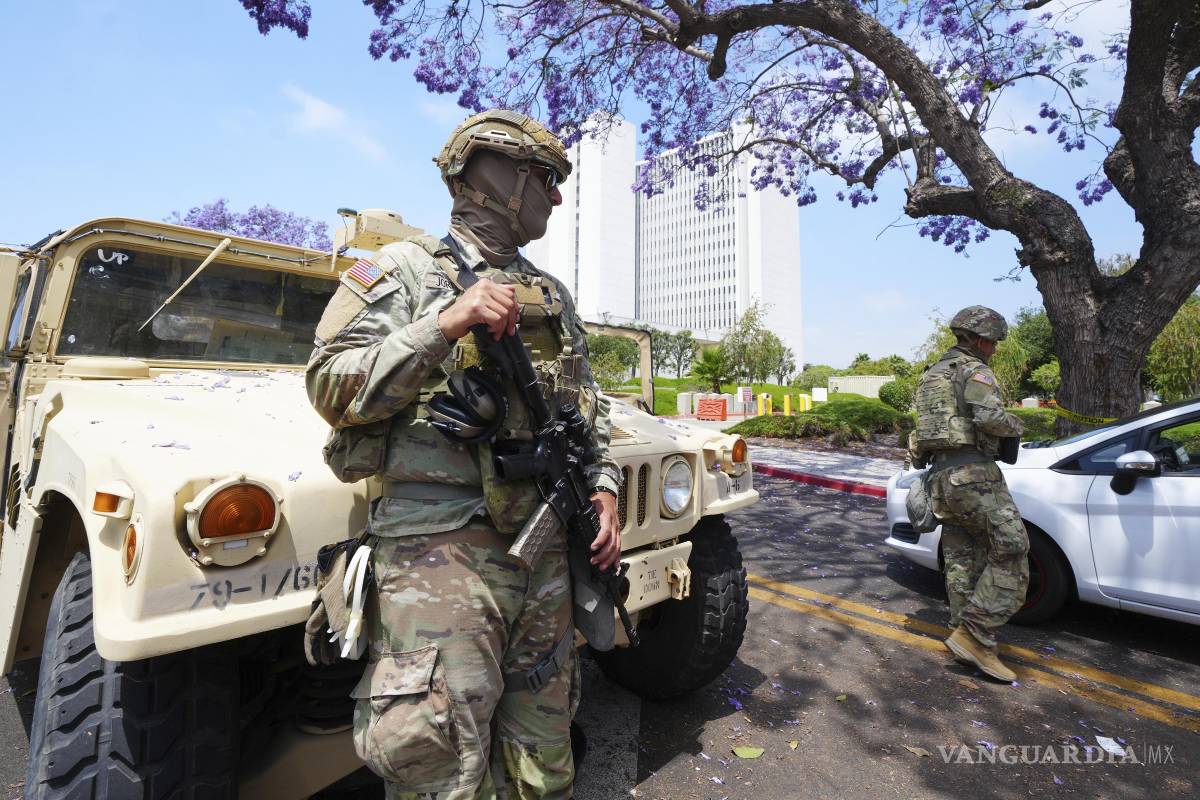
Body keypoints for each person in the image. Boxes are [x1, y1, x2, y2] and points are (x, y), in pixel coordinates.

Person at [306, 109, 622, 799]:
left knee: (543, 756)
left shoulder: (552, 297)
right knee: (442, 763)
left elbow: (587, 411)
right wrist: (445, 324)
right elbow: (328, 386)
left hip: (543, 554)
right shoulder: (403, 272)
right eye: (545, 178)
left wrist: (603, 488)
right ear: (500, 176)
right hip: (438, 556)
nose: (556, 197)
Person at [909, 306, 1028, 682]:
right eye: (992, 342)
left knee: (963, 558)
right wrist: (1017, 424)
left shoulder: (933, 374)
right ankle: (975, 636)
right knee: (1012, 547)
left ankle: (964, 635)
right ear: (977, 339)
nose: (994, 349)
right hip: (974, 476)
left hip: (941, 479)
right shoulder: (974, 370)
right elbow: (989, 417)